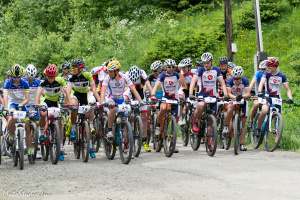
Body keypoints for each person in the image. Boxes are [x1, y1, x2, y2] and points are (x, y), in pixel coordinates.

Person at [67, 58, 101, 159]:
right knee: (73, 106)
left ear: (80, 68)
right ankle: (73, 128)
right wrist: (69, 102)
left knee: (91, 106)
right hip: (77, 95)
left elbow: (94, 89)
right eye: (72, 67)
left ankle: (90, 144)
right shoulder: (71, 77)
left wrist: (100, 101)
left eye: (74, 67)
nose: (72, 69)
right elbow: (68, 91)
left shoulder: (87, 75)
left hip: (86, 95)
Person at [100, 59, 143, 138]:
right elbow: (103, 90)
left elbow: (133, 89)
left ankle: (126, 133)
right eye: (108, 71)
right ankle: (109, 130)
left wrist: (140, 101)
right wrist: (102, 101)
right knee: (112, 109)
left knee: (128, 112)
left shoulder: (124, 77)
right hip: (111, 98)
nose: (109, 73)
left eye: (110, 71)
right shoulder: (107, 78)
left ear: (116, 71)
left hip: (121, 98)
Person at [35, 64, 69, 161]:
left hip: (56, 102)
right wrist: (37, 104)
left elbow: (66, 92)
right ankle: (42, 131)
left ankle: (60, 146)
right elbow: (38, 95)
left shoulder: (60, 81)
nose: (50, 79)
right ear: (46, 75)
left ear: (55, 75)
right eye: (49, 77)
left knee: (60, 122)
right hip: (45, 101)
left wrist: (68, 103)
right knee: (43, 113)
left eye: (52, 77)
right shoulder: (43, 83)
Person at [189, 52, 228, 133]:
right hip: (202, 95)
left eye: (207, 63)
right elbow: (193, 81)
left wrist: (226, 94)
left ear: (211, 61)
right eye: (204, 63)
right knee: (201, 105)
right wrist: (190, 93)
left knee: (213, 118)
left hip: (213, 96)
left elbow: (222, 83)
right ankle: (195, 121)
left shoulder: (216, 70)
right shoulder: (200, 70)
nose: (206, 65)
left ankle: (210, 139)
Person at [256, 57, 293, 136]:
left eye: (270, 66)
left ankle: (277, 140)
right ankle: (258, 128)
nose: (268, 67)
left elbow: (288, 89)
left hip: (277, 97)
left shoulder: (282, 76)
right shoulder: (266, 74)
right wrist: (259, 92)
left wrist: (290, 98)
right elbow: (261, 84)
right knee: (264, 110)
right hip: (267, 96)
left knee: (279, 117)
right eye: (267, 66)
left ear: (275, 66)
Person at [151, 59, 182, 153]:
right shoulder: (162, 75)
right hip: (165, 98)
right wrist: (153, 94)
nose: (171, 69)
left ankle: (173, 144)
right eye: (169, 67)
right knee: (164, 108)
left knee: (174, 122)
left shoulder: (177, 75)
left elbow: (183, 85)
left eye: (173, 67)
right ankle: (158, 125)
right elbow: (156, 86)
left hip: (175, 99)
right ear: (165, 68)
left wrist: (181, 93)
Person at [3, 64, 31, 157]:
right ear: (11, 76)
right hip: (11, 103)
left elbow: (27, 99)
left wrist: (21, 104)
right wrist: (6, 107)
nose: (16, 79)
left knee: (27, 125)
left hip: (22, 103)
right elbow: (5, 96)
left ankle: (30, 151)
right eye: (14, 77)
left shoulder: (25, 83)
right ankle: (10, 136)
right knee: (12, 118)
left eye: (18, 77)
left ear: (21, 76)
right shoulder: (7, 82)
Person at [125, 65, 153, 152]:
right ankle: (126, 143)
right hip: (129, 92)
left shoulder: (142, 73)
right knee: (128, 117)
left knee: (144, 117)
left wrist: (153, 94)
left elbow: (147, 84)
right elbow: (125, 89)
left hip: (140, 93)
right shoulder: (126, 75)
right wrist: (126, 100)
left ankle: (144, 142)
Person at [225, 66, 250, 151]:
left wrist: (242, 96)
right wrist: (235, 97)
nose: (237, 80)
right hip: (233, 99)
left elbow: (248, 93)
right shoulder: (229, 80)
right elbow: (228, 93)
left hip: (243, 101)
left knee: (243, 123)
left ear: (241, 77)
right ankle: (228, 133)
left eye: (239, 79)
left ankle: (242, 144)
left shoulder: (245, 80)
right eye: (235, 79)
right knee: (232, 122)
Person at [247, 59, 268, 128]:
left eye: (264, 69)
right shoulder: (258, 73)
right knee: (256, 104)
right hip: (256, 92)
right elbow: (252, 83)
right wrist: (248, 93)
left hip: (266, 94)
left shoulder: (270, 75)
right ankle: (251, 121)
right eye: (261, 69)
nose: (262, 71)